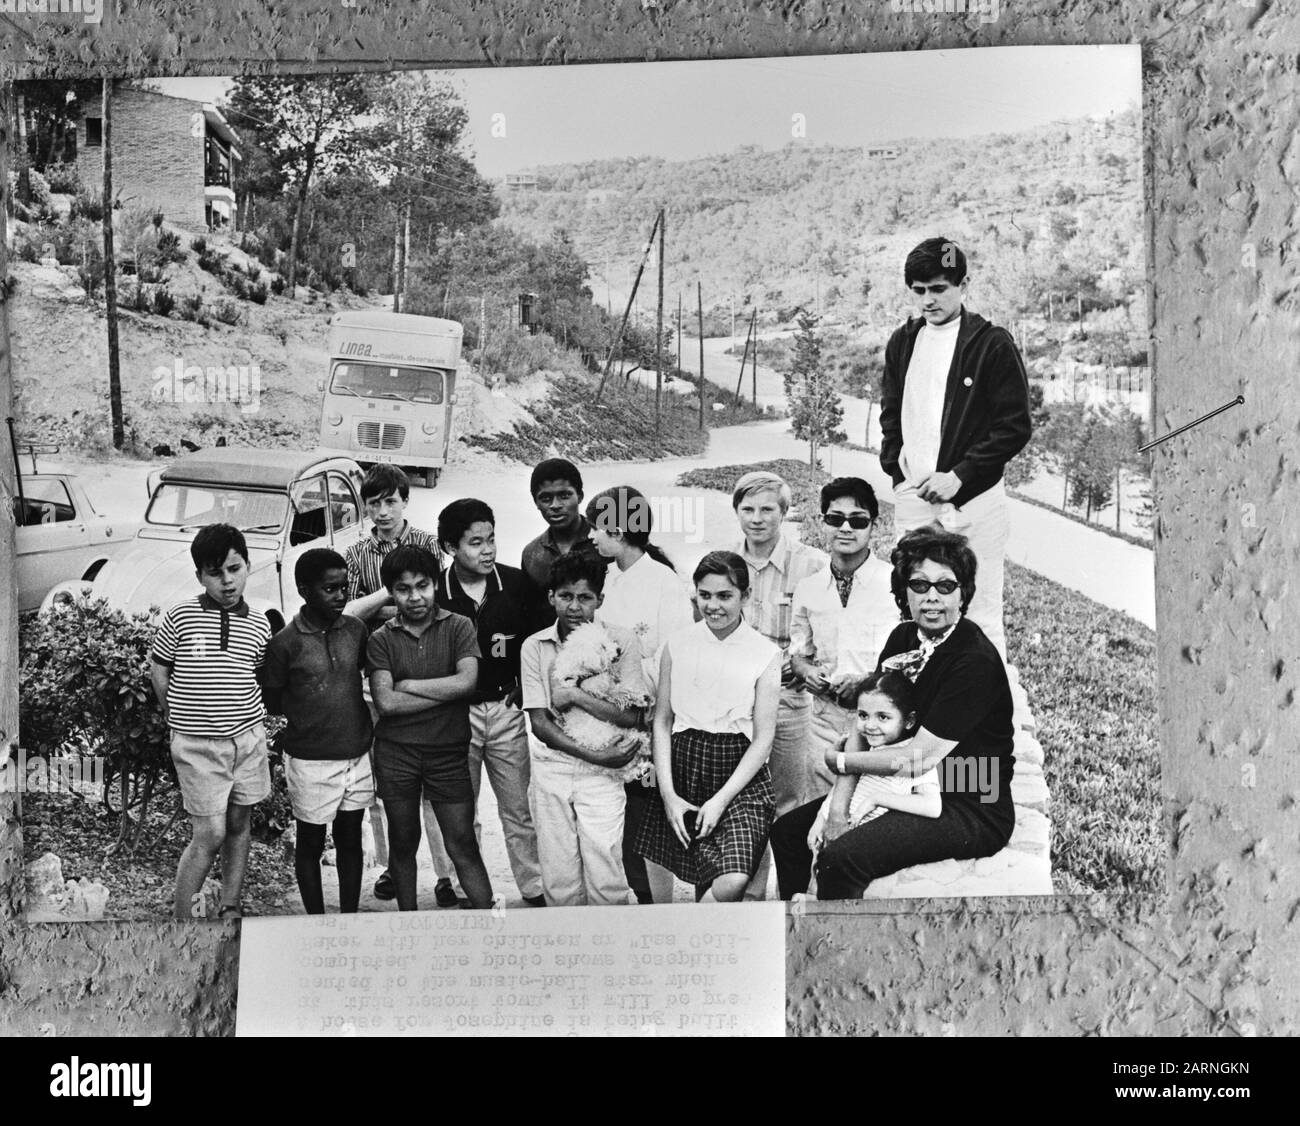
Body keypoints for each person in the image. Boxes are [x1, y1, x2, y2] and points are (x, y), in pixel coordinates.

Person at [771, 526, 1016, 900]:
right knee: (789, 833)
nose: (932, 598)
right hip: (897, 786)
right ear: (904, 592)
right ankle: (798, 934)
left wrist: (841, 761)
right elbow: (865, 716)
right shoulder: (903, 638)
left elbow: (918, 758)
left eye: (945, 586)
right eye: (919, 585)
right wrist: (837, 809)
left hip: (967, 799)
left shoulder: (974, 660)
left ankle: (837, 949)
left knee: (842, 858)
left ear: (963, 593)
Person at [879, 236, 1032, 660]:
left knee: (977, 612)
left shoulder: (990, 344)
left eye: (939, 288)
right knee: (914, 611)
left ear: (964, 285)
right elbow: (891, 414)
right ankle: (920, 711)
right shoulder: (904, 342)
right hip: (914, 499)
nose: (929, 300)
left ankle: (986, 720)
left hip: (974, 502)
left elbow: (1014, 426)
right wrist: (899, 474)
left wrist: (959, 475)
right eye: (920, 290)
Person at [342, 464, 459, 908]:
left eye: (391, 500)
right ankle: (391, 867)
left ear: (405, 501)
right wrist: (393, 598)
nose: (383, 510)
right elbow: (349, 614)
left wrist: (390, 609)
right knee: (385, 779)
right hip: (378, 673)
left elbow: (439, 605)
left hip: (429, 671)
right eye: (374, 502)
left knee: (435, 781)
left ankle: (445, 874)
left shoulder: (429, 544)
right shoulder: (356, 554)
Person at [634, 551, 781, 903]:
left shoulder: (765, 652)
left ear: (745, 597)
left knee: (732, 880)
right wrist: (668, 795)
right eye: (705, 595)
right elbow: (663, 720)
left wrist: (720, 801)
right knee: (659, 853)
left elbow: (764, 738)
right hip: (681, 761)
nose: (713, 606)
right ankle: (666, 926)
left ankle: (696, 927)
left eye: (725, 596)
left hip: (739, 771)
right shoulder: (678, 644)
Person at [150, 524, 273, 921]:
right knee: (210, 833)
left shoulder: (258, 624)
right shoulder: (182, 615)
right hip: (198, 746)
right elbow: (160, 665)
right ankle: (183, 918)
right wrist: (171, 710)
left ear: (248, 566)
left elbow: (253, 673)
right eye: (215, 573)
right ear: (200, 576)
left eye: (235, 569)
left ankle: (230, 905)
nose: (227, 581)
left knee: (239, 824)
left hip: (248, 741)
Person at [366, 544, 493, 910]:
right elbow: (386, 704)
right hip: (397, 754)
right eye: (403, 589)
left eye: (423, 585)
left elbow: (467, 684)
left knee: (462, 842)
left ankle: (493, 925)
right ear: (391, 591)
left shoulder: (459, 626)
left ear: (436, 584)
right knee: (403, 843)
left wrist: (410, 686)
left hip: (449, 752)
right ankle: (410, 925)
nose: (415, 596)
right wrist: (445, 691)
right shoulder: (382, 639)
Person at [586, 484, 694, 905]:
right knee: (614, 817)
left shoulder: (664, 582)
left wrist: (628, 681)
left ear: (619, 527)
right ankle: (629, 894)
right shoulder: (605, 578)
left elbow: (674, 654)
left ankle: (656, 903)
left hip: (649, 715)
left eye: (598, 527)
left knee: (646, 817)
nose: (592, 536)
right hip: (603, 712)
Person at [520, 553, 650, 906]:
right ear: (551, 598)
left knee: (605, 863)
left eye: (585, 597)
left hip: (605, 771)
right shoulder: (535, 646)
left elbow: (632, 717)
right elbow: (540, 724)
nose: (574, 607)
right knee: (558, 871)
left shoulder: (620, 641)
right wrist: (597, 755)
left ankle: (609, 950)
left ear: (600, 600)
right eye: (565, 596)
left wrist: (575, 694)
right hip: (554, 764)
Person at [435, 498, 547, 907]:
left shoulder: (516, 585)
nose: (487, 550)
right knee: (463, 811)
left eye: (491, 539)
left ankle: (533, 886)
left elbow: (540, 643)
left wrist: (526, 687)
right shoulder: (435, 593)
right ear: (450, 547)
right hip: (456, 715)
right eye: (475, 543)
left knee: (518, 808)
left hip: (504, 711)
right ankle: (468, 887)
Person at [728, 470, 828, 900]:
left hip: (790, 700)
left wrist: (795, 664)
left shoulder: (812, 565)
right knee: (743, 799)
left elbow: (824, 636)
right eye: (747, 509)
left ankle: (790, 899)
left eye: (767, 509)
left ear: (784, 513)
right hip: (737, 703)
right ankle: (748, 897)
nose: (757, 519)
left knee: (788, 799)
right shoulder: (724, 562)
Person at [262, 548, 374, 914]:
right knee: (310, 843)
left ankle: (349, 917)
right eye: (330, 589)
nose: (341, 595)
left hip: (355, 755)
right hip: (310, 760)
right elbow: (273, 699)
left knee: (350, 839)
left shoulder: (356, 630)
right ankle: (315, 920)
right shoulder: (285, 644)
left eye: (344, 587)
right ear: (304, 590)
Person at [777, 671, 940, 898]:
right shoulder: (866, 747)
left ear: (909, 720)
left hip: (870, 836)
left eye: (883, 717)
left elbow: (932, 806)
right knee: (805, 860)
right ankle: (800, 913)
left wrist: (876, 800)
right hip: (842, 828)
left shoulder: (914, 756)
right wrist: (821, 818)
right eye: (863, 716)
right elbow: (841, 787)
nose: (870, 726)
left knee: (833, 871)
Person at [788, 477, 898, 803]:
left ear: (873, 526)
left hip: (881, 729)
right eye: (835, 519)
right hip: (823, 725)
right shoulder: (808, 588)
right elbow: (799, 653)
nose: (846, 528)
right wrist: (807, 672)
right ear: (823, 523)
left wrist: (868, 682)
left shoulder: (895, 584)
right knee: (815, 816)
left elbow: (914, 657)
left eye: (858, 520)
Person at [520, 458, 606, 624]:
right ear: (536, 503)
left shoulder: (606, 542)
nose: (555, 505)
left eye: (564, 495)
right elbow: (530, 614)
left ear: (580, 496)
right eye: (545, 499)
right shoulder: (532, 554)